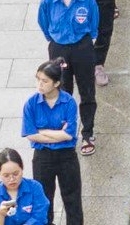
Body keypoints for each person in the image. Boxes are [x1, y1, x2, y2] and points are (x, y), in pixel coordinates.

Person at [37, 0, 99, 154]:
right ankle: (66, 131)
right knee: (62, 91)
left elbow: (94, 22)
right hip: (59, 49)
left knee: (87, 89)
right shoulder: (48, 1)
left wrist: (87, 42)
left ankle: (87, 132)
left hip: (82, 47)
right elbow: (44, 23)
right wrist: (55, 41)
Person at [22, 61, 82, 225]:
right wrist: (58, 134)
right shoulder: (31, 104)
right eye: (38, 79)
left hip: (67, 156)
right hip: (43, 157)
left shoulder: (68, 102)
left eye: (44, 81)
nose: (39, 84)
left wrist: (42, 131)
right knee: (44, 199)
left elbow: (69, 135)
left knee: (72, 198)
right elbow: (31, 135)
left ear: (56, 83)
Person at [0, 148, 51, 225]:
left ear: (22, 169)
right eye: (6, 176)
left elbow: (40, 217)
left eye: (15, 174)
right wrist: (0, 214)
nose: (12, 179)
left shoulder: (35, 187)